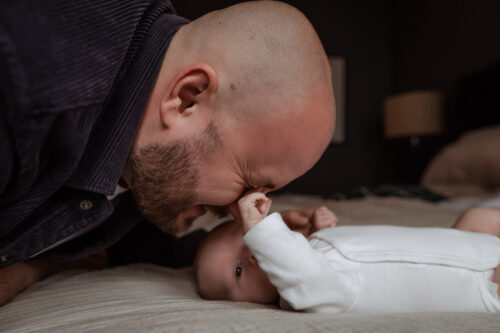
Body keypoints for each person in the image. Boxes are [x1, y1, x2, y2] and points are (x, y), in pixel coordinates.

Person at [0, 1, 335, 305]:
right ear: (187, 98)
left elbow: (140, 246)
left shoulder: (146, 155)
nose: (238, 207)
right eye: (248, 180)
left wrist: (250, 247)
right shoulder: (25, 91)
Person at [195, 192, 500, 312]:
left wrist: (317, 233)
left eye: (246, 238)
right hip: (478, 281)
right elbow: (305, 274)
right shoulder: (300, 297)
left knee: (477, 216)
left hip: (460, 244)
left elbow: (325, 258)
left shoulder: (309, 258)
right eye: (238, 271)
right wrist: (262, 232)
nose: (252, 254)